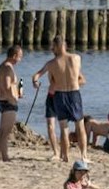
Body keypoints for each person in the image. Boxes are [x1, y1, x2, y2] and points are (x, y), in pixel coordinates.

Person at [32, 35, 86, 163]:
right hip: (73, 93)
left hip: (60, 94)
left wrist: (35, 82)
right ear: (65, 45)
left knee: (64, 128)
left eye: (53, 47)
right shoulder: (76, 58)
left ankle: (66, 156)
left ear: (57, 46)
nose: (52, 49)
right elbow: (79, 77)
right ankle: (83, 156)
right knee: (80, 125)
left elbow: (36, 75)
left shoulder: (51, 64)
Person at [0, 44, 24, 162]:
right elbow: (7, 86)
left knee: (2, 131)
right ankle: (5, 157)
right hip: (9, 102)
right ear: (14, 56)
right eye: (20, 56)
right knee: (5, 132)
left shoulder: (0, 67)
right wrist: (14, 97)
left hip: (2, 101)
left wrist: (16, 91)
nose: (20, 59)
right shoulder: (8, 68)